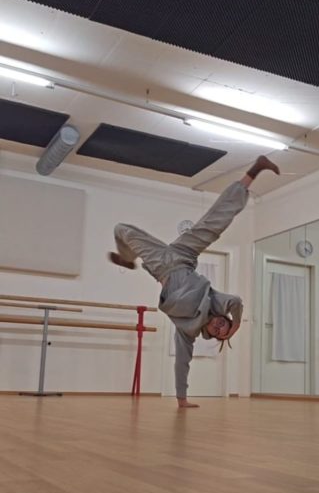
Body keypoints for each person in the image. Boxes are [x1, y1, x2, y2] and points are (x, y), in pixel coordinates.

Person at [108, 155, 280, 408]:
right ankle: (254, 171)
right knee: (215, 223)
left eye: (219, 331)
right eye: (224, 324)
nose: (220, 326)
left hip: (160, 265)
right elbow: (236, 301)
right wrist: (235, 326)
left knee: (122, 229)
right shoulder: (216, 303)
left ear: (209, 334)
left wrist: (182, 400)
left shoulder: (187, 330)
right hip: (185, 255)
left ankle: (128, 259)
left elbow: (182, 362)